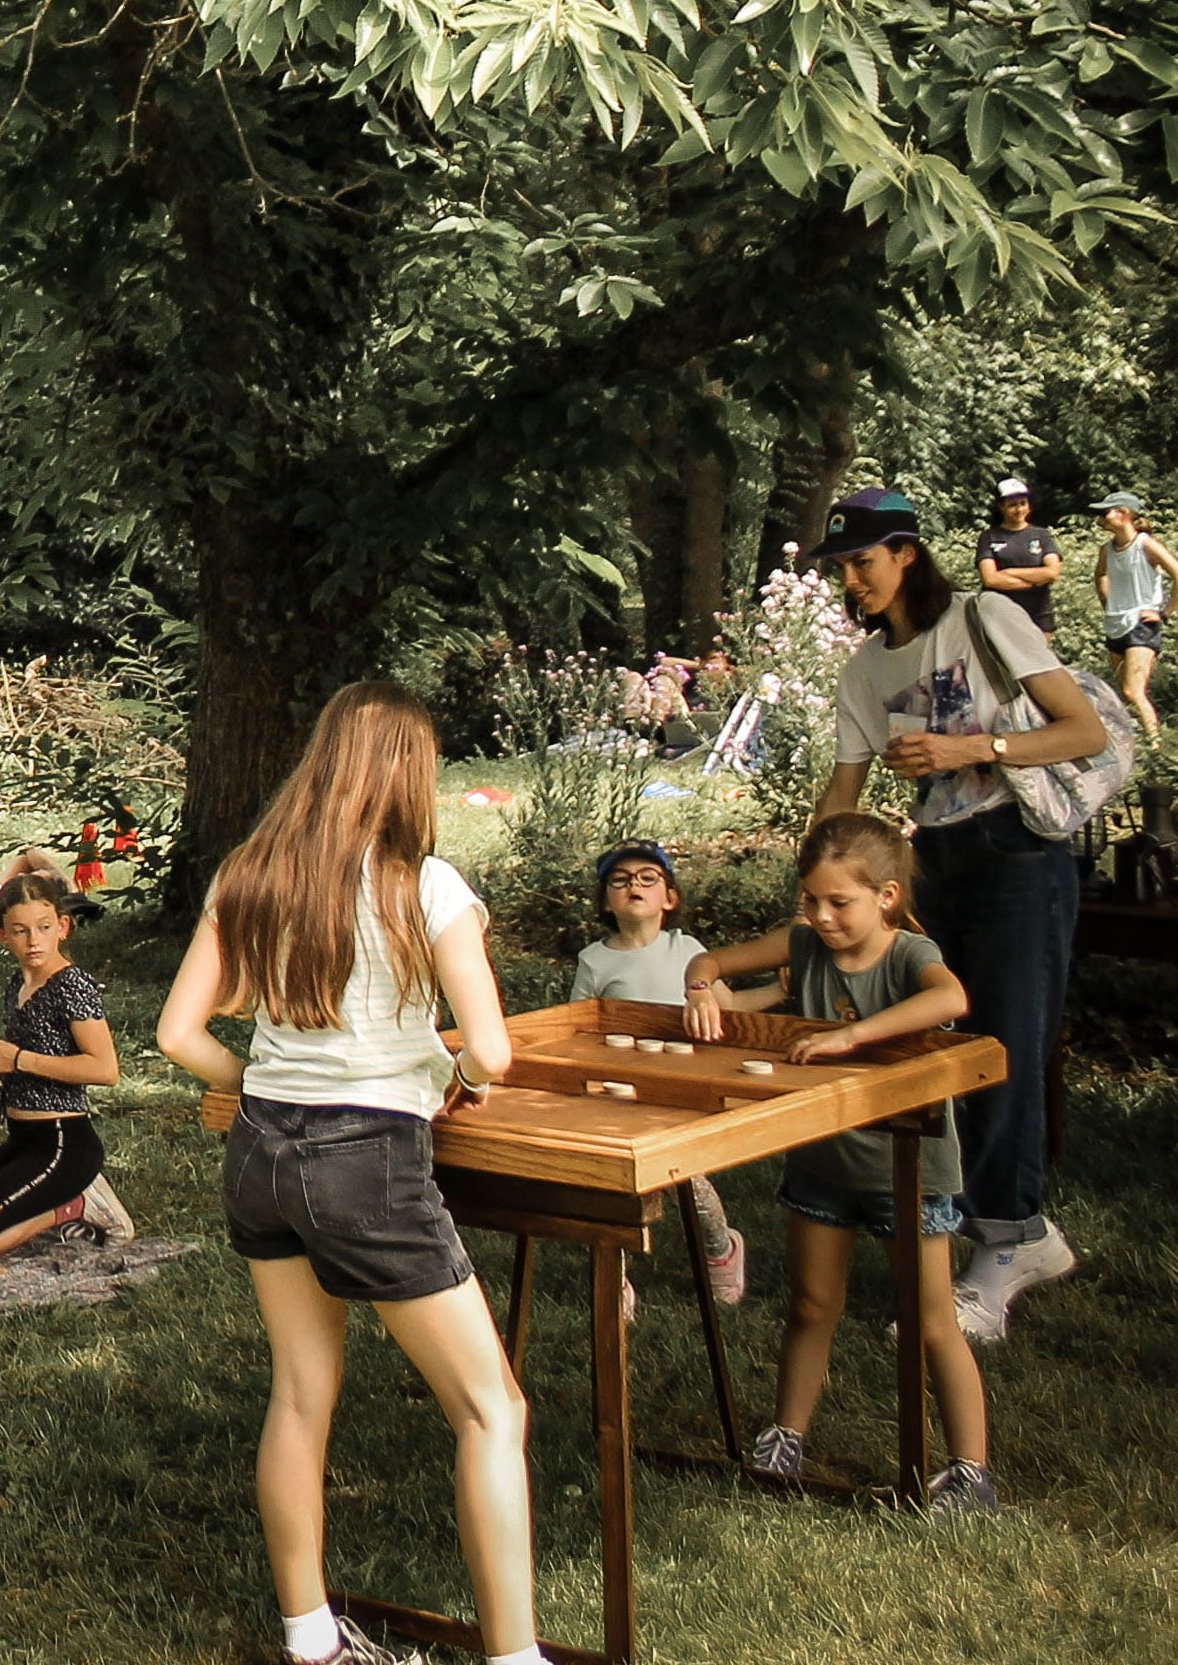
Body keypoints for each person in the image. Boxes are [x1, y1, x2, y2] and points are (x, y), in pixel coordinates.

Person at [157, 683, 542, 1665]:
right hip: (368, 1161)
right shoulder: (428, 885)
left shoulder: (253, 872)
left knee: (299, 1392)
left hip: (261, 1155)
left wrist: (251, 1080)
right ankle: (516, 1658)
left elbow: (176, 1032)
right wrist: (452, 1073)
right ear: (410, 776)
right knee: (492, 1407)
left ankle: (310, 1637)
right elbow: (493, 1052)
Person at [805, 485, 1109, 1346]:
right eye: (840, 569)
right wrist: (816, 880)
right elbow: (846, 788)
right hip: (936, 863)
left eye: (862, 562)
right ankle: (996, 1229)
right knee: (937, 1047)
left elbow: (1082, 730)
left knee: (1004, 1045)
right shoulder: (866, 670)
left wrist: (971, 746)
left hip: (1019, 851)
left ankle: (1006, 1241)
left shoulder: (982, 620)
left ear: (906, 553)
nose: (852, 581)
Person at [683, 814, 998, 1511]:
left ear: (886, 896)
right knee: (811, 1305)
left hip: (906, 1172)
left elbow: (952, 999)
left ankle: (971, 1470)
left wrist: (850, 1036)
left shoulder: (910, 953)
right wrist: (702, 988)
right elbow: (709, 962)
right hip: (824, 1164)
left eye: (839, 903)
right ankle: (785, 1437)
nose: (821, 918)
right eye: (811, 901)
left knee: (929, 1319)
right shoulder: (801, 943)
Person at [565, 841, 745, 1308]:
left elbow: (733, 1009)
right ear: (606, 901)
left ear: (670, 898)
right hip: (621, 1088)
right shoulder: (594, 960)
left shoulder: (688, 951)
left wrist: (782, 990)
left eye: (648, 877)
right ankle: (614, 1275)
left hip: (681, 1086)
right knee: (612, 1185)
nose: (634, 886)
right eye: (620, 880)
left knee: (692, 1183)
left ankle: (721, 1250)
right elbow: (576, 1027)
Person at [0, 872, 126, 1253]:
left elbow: (104, 1069)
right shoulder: (20, 983)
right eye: (20, 930)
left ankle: (73, 1206)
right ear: (0, 934)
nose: (33, 941)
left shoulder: (71, 985)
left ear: (63, 927)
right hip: (23, 1141)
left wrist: (18, 1057)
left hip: (63, 1143)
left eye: (43, 928)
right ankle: (61, 1202)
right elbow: (18, 1061)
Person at [1095, 492, 1178, 737]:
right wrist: (1108, 602)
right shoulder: (1107, 549)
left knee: (1133, 692)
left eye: (1106, 512)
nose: (1101, 517)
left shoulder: (1146, 544)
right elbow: (1101, 575)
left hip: (1142, 625)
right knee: (1124, 691)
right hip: (1116, 624)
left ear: (1124, 513)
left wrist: (1164, 613)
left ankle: (1157, 746)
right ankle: (1137, 743)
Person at [973, 477, 1059, 637]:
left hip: (1038, 614)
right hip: (999, 614)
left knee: (1039, 660)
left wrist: (1010, 572)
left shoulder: (1042, 534)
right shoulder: (988, 536)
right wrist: (1035, 581)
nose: (1019, 509)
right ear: (1001, 507)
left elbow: (1052, 572)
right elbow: (990, 579)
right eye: (1012, 505)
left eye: (1023, 503)